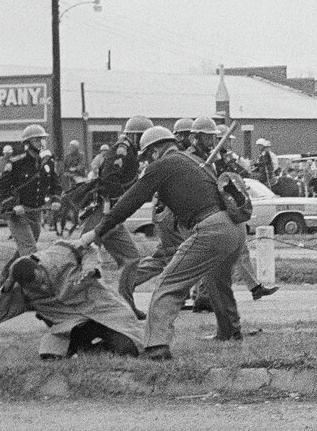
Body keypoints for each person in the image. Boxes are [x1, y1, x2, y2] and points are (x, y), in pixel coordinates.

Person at [77, 125, 246, 360]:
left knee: (168, 284)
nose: (147, 161)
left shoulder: (162, 165)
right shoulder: (191, 160)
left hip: (211, 228)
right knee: (218, 281)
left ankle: (156, 347)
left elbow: (129, 202)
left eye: (147, 155)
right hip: (235, 228)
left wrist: (96, 232)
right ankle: (230, 331)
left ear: (156, 149)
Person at [0, 241, 143, 360]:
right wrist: (6, 287)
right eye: (35, 287)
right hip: (69, 326)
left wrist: (90, 268)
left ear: (40, 267)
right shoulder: (21, 291)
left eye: (41, 280)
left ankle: (94, 350)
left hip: (100, 310)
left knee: (129, 348)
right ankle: (86, 351)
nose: (41, 287)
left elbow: (90, 247)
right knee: (50, 356)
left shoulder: (59, 253)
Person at [187, 118, 278, 309]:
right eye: (217, 138)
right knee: (205, 255)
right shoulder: (196, 158)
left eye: (217, 139)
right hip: (208, 213)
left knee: (239, 249)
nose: (223, 142)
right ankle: (198, 295)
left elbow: (235, 176)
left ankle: (253, 288)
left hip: (226, 208)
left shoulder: (221, 158)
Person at [78, 116, 152, 270]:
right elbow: (110, 179)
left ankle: (123, 294)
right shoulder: (122, 150)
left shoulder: (131, 152)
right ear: (133, 135)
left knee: (131, 259)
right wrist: (123, 203)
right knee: (82, 257)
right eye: (142, 136)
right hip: (103, 211)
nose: (145, 141)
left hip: (112, 213)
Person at [0, 124, 61, 283]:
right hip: (18, 214)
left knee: (23, 251)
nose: (41, 142)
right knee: (30, 250)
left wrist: (55, 199)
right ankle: (33, 286)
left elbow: (55, 184)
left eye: (42, 139)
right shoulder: (16, 162)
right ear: (28, 142)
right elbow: (2, 188)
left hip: (36, 212)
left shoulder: (47, 162)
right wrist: (12, 205)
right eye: (37, 139)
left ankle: (5, 278)